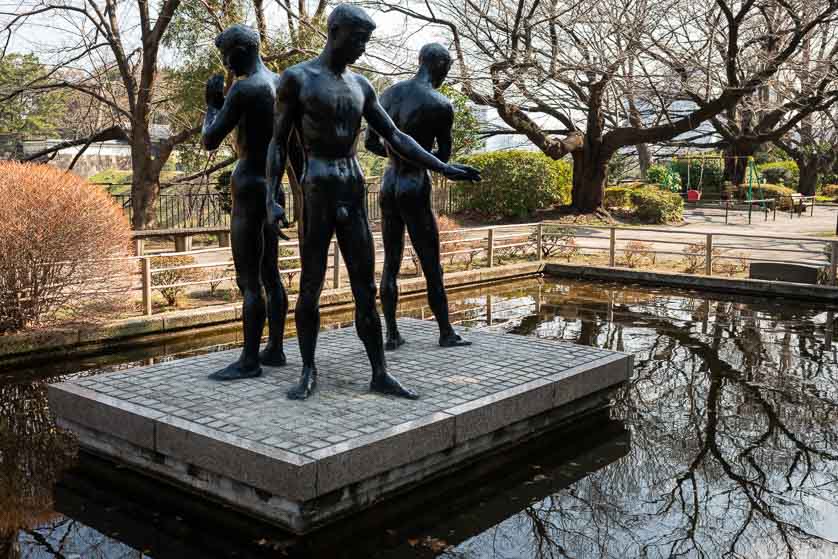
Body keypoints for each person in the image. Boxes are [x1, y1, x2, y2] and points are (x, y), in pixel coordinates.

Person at [267, 4, 481, 401]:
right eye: (359, 39)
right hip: (316, 193)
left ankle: (379, 372)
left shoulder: (362, 86)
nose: (363, 47)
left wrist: (442, 167)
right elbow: (278, 144)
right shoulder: (296, 79)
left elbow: (396, 136)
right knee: (311, 286)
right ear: (335, 32)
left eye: (367, 40)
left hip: (353, 190)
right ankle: (308, 369)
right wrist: (272, 196)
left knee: (364, 286)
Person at [201, 25, 293, 380]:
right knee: (271, 273)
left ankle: (249, 360)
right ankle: (276, 349)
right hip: (273, 187)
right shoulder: (282, 83)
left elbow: (211, 139)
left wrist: (212, 105)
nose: (224, 62)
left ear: (241, 50)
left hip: (248, 183)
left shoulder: (244, 87)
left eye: (225, 54)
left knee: (249, 279)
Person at [365, 43, 471, 351]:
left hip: (388, 183)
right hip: (415, 183)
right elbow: (444, 156)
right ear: (439, 66)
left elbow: (371, 142)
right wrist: (427, 157)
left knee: (391, 262)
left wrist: (395, 153)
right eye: (446, 71)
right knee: (430, 262)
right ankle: (445, 332)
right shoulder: (440, 104)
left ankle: (392, 333)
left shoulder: (386, 95)